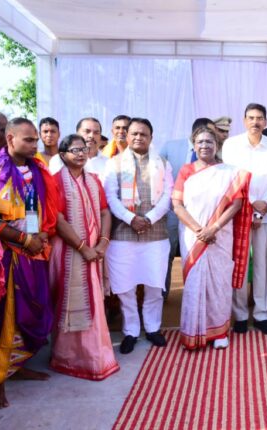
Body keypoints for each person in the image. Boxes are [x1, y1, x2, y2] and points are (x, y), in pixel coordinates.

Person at [0, 117, 58, 409]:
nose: (35, 144)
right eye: (28, 140)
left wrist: (40, 234)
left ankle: (17, 367)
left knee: (34, 311)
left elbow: (46, 209)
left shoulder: (38, 169)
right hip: (7, 256)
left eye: (36, 140)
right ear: (10, 139)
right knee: (3, 319)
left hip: (35, 251)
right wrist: (24, 240)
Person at [172, 126, 252, 350]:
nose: (204, 146)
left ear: (217, 145)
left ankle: (219, 332)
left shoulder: (229, 172)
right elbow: (177, 205)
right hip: (193, 234)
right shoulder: (186, 171)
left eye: (209, 142)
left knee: (219, 283)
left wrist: (213, 228)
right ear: (193, 145)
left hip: (221, 235)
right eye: (200, 142)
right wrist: (200, 230)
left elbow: (236, 204)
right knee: (195, 283)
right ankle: (193, 330)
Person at [49, 134, 120, 380]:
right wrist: (82, 247)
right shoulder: (55, 181)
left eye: (84, 149)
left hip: (94, 248)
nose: (81, 153)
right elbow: (57, 219)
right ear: (62, 155)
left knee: (95, 300)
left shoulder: (94, 180)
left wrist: (103, 242)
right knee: (69, 298)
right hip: (69, 250)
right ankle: (70, 358)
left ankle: (96, 356)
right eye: (74, 149)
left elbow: (104, 212)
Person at [104, 117, 173, 354]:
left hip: (156, 235)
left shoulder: (163, 163)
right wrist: (131, 218)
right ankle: (131, 331)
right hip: (123, 235)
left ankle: (153, 328)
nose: (137, 137)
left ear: (151, 137)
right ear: (126, 136)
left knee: (155, 286)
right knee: (125, 288)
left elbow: (168, 196)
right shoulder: (114, 164)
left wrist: (149, 219)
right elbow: (110, 197)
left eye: (143, 134)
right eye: (133, 133)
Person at [222, 103, 267, 336]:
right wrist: (249, 206)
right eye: (251, 118)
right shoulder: (232, 145)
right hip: (238, 212)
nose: (255, 122)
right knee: (239, 264)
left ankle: (262, 315)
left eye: (259, 118)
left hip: (264, 214)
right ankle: (239, 315)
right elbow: (232, 179)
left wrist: (259, 211)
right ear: (244, 120)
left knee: (260, 266)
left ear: (266, 122)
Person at [160, 117, 217, 299]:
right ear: (195, 134)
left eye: (210, 138)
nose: (206, 142)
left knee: (202, 257)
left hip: (205, 217)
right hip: (173, 212)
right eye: (202, 137)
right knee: (167, 254)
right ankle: (163, 295)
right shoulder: (170, 147)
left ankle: (200, 297)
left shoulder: (216, 154)